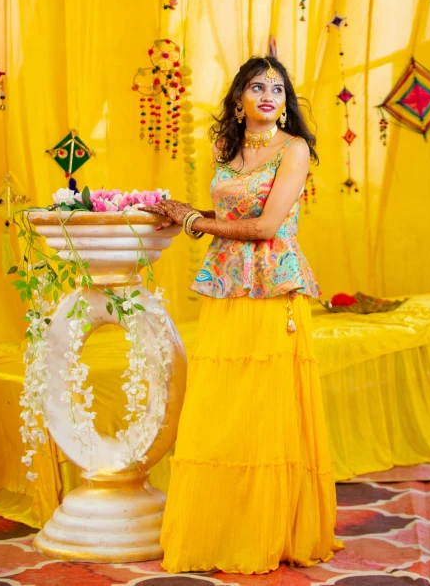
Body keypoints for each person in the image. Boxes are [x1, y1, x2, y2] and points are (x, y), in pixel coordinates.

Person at [144, 55, 343, 575]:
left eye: (278, 88)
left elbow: (265, 226)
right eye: (257, 87)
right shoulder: (225, 148)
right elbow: (230, 216)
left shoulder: (293, 149)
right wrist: (181, 212)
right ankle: (226, 523)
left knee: (266, 404)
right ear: (238, 100)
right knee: (225, 404)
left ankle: (270, 530)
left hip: (272, 284)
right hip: (228, 285)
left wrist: (192, 221)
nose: (269, 96)